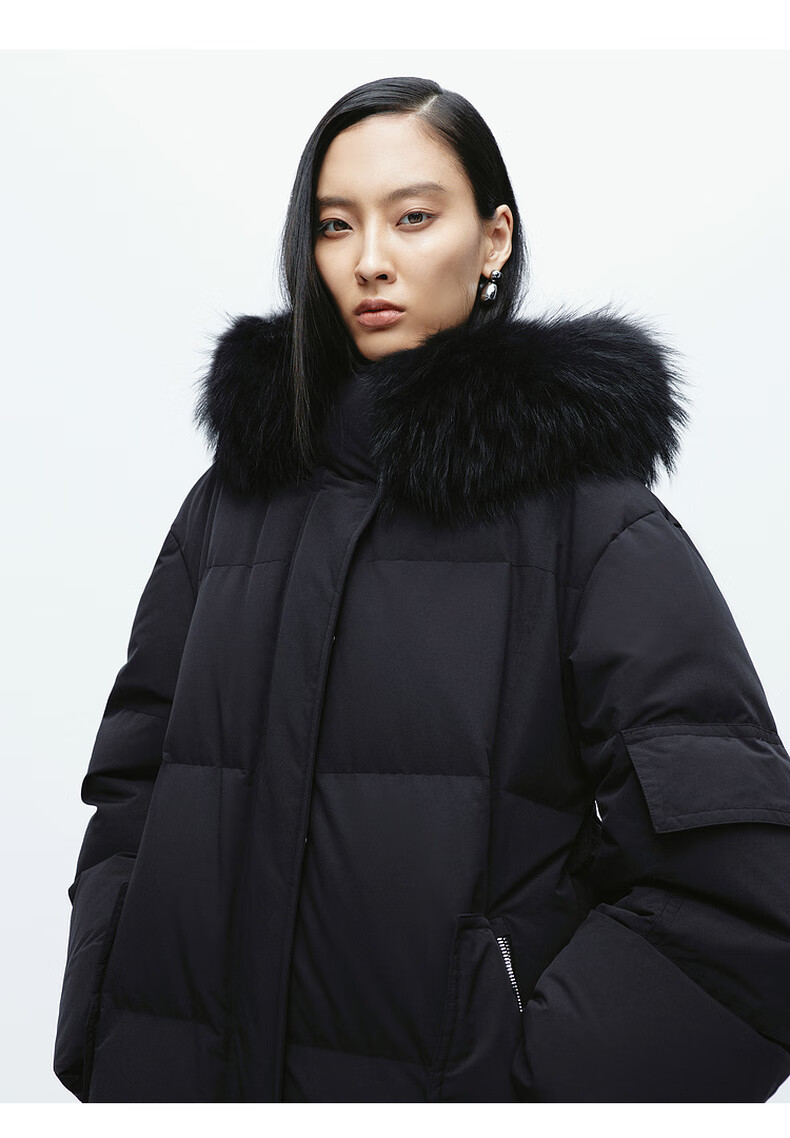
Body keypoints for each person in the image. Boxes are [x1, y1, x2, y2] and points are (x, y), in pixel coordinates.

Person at [53, 75, 790, 1104]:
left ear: (493, 241)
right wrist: (106, 1018)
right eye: (334, 224)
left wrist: (525, 1094)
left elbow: (740, 895)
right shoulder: (229, 506)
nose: (369, 259)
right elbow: (134, 780)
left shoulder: (587, 522)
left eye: (411, 217)